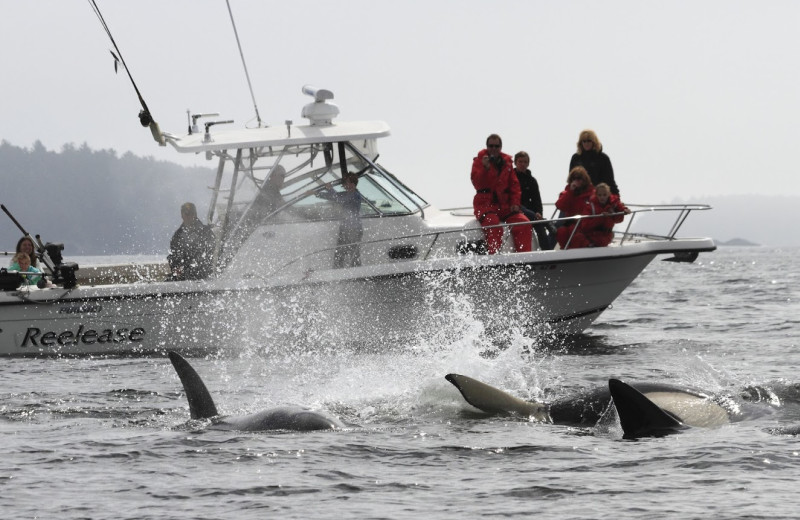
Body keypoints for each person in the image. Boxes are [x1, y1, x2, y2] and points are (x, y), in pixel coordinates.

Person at [470, 134, 532, 254]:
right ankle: (494, 259)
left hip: (504, 205)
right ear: (487, 146)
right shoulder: (479, 162)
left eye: (496, 146)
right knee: (494, 225)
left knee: (524, 222)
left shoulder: (507, 163)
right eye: (491, 146)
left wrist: (515, 203)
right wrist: (485, 169)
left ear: (500, 147)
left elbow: (514, 186)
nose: (494, 148)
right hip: (485, 205)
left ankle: (525, 258)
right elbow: (477, 183)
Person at [316, 173, 364, 268]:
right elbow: (335, 196)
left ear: (354, 184)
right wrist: (317, 194)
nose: (347, 186)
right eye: (345, 184)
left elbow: (338, 199)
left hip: (353, 229)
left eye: (349, 183)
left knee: (351, 254)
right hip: (346, 228)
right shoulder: (348, 194)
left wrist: (329, 189)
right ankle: (340, 273)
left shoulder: (355, 195)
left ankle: (354, 274)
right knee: (340, 254)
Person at [514, 151, 555, 250]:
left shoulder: (532, 180)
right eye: (520, 162)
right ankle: (546, 223)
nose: (522, 164)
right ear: (515, 163)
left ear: (528, 163)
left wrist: (539, 212)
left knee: (539, 224)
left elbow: (537, 199)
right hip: (516, 206)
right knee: (534, 217)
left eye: (525, 162)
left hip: (529, 209)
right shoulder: (511, 177)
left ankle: (547, 252)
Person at [168, 202, 216, 280]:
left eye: (192, 213)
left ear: (195, 214)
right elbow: (173, 255)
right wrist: (175, 267)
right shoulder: (177, 236)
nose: (189, 216)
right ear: (182, 215)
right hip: (183, 277)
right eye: (186, 213)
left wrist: (196, 265)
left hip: (203, 276)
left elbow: (210, 254)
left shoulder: (206, 232)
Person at [569, 129, 620, 196]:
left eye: (589, 141)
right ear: (580, 143)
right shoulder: (575, 158)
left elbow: (609, 180)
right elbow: (570, 179)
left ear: (594, 142)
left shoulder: (603, 158)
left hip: (598, 196)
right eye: (584, 141)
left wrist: (616, 197)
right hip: (579, 195)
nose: (586, 143)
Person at [555, 166, 594, 249]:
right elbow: (560, 206)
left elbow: (603, 202)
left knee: (577, 235)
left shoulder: (592, 193)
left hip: (585, 225)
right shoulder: (566, 193)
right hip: (571, 224)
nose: (577, 181)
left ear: (584, 180)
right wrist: (570, 192)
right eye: (574, 178)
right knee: (561, 232)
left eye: (579, 178)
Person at [583, 182, 631, 247]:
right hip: (593, 235)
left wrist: (624, 210)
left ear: (608, 194)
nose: (602, 197)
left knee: (603, 240)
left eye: (604, 195)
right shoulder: (590, 207)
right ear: (596, 195)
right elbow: (585, 225)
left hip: (607, 235)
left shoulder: (614, 203)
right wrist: (600, 217)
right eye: (599, 195)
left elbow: (620, 211)